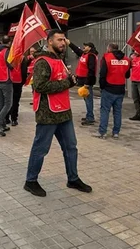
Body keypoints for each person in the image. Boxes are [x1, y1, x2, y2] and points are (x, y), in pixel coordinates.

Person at [24, 29, 92, 197]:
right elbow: (40, 86)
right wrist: (66, 83)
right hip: (48, 113)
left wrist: (71, 80)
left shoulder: (59, 59)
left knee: (71, 147)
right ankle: (30, 181)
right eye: (59, 40)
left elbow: (62, 80)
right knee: (41, 149)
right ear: (49, 42)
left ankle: (73, 178)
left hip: (64, 112)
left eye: (64, 40)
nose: (63, 43)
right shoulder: (42, 61)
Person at [94, 43, 130, 139]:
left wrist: (102, 87)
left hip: (108, 88)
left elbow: (102, 74)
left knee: (105, 111)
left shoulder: (107, 58)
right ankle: (116, 132)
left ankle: (102, 132)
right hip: (120, 89)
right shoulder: (127, 60)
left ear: (109, 49)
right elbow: (127, 75)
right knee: (117, 112)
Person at [67, 40, 98, 126]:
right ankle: (89, 115)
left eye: (86, 45)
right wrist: (69, 43)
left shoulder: (91, 56)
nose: (84, 46)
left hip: (87, 81)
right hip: (83, 80)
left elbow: (91, 70)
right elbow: (77, 50)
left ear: (90, 48)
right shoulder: (85, 54)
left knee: (88, 100)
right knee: (86, 99)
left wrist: (87, 83)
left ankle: (90, 118)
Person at [6, 51, 27, 127]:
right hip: (18, 81)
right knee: (15, 101)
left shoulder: (9, 57)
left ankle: (6, 118)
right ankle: (14, 119)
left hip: (9, 80)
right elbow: (24, 71)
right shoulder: (22, 58)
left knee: (8, 100)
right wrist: (23, 81)